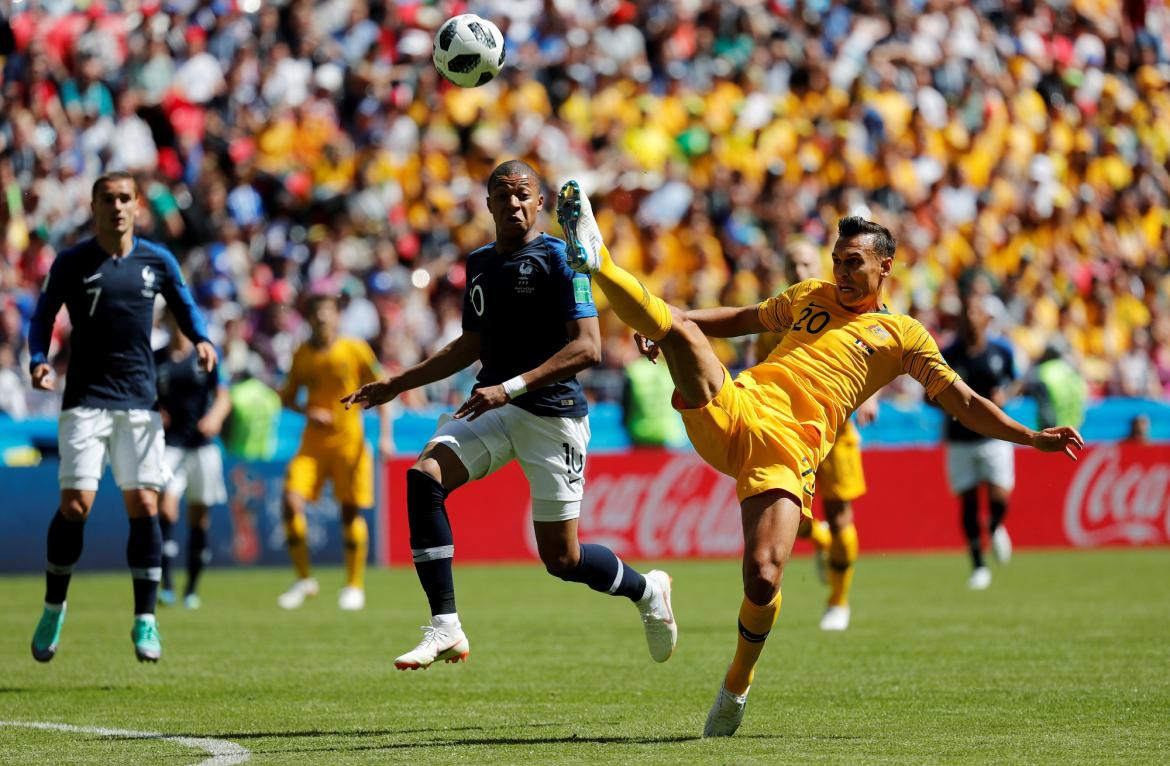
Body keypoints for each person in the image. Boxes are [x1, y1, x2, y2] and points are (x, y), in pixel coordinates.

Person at [555, 182, 1083, 738]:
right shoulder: (810, 295)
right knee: (680, 330)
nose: (842, 272)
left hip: (788, 454)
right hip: (737, 406)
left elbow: (966, 403)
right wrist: (675, 321)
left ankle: (737, 682)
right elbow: (741, 317)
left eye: (854, 263)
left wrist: (1030, 437)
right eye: (837, 262)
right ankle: (599, 260)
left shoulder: (902, 336)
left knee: (762, 576)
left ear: (885, 266)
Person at [341, 160, 676, 671]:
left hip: (551, 414)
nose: (514, 203)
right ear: (489, 203)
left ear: (540, 203)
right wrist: (396, 384)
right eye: (504, 195)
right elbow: (468, 346)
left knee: (562, 560)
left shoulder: (564, 259)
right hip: (492, 405)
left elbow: (588, 349)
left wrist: (510, 388)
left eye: (524, 195)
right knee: (424, 476)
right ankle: (445, 626)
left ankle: (647, 589)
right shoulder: (478, 264)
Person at [27, 171, 217, 663]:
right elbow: (43, 315)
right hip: (86, 399)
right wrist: (38, 358)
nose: (117, 207)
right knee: (76, 507)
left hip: (138, 400)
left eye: (125, 198)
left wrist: (202, 339)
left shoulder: (158, 260)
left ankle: (145, 621)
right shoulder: (72, 262)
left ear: (137, 206)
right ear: (93, 205)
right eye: (108, 198)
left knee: (146, 507)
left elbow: (185, 305)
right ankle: (54, 606)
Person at [757, 239, 877, 631]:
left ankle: (839, 602)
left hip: (837, 433)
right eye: (792, 262)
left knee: (842, 514)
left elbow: (875, 350)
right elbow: (762, 368)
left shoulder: (843, 307)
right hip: (792, 437)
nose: (799, 268)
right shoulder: (777, 315)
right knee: (795, 522)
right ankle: (819, 538)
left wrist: (870, 395)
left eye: (806, 260)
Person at [276, 293, 382, 611]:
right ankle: (304, 579)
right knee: (290, 502)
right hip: (312, 444)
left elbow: (382, 385)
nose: (322, 317)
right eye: (317, 312)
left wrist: (386, 434)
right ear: (309, 318)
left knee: (349, 513)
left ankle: (353, 585)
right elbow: (287, 397)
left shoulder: (354, 349)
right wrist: (309, 411)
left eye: (328, 311)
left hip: (349, 443)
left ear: (338, 316)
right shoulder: (302, 354)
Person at [940, 297, 1019, 590]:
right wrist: (949, 404)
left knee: (999, 498)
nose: (970, 317)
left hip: (995, 436)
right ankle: (978, 564)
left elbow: (1016, 382)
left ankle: (995, 526)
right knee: (969, 503)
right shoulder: (949, 353)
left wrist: (1006, 396)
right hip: (960, 438)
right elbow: (929, 392)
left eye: (975, 311)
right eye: (967, 311)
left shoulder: (1001, 351)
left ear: (987, 319)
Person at [155, 310, 231, 609]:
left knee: (199, 517)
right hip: (170, 444)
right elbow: (144, 394)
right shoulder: (157, 357)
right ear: (167, 322)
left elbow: (224, 396)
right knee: (166, 507)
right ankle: (168, 584)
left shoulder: (207, 354)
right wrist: (153, 410)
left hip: (202, 445)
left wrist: (215, 416)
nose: (179, 326)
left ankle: (192, 589)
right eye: (175, 320)